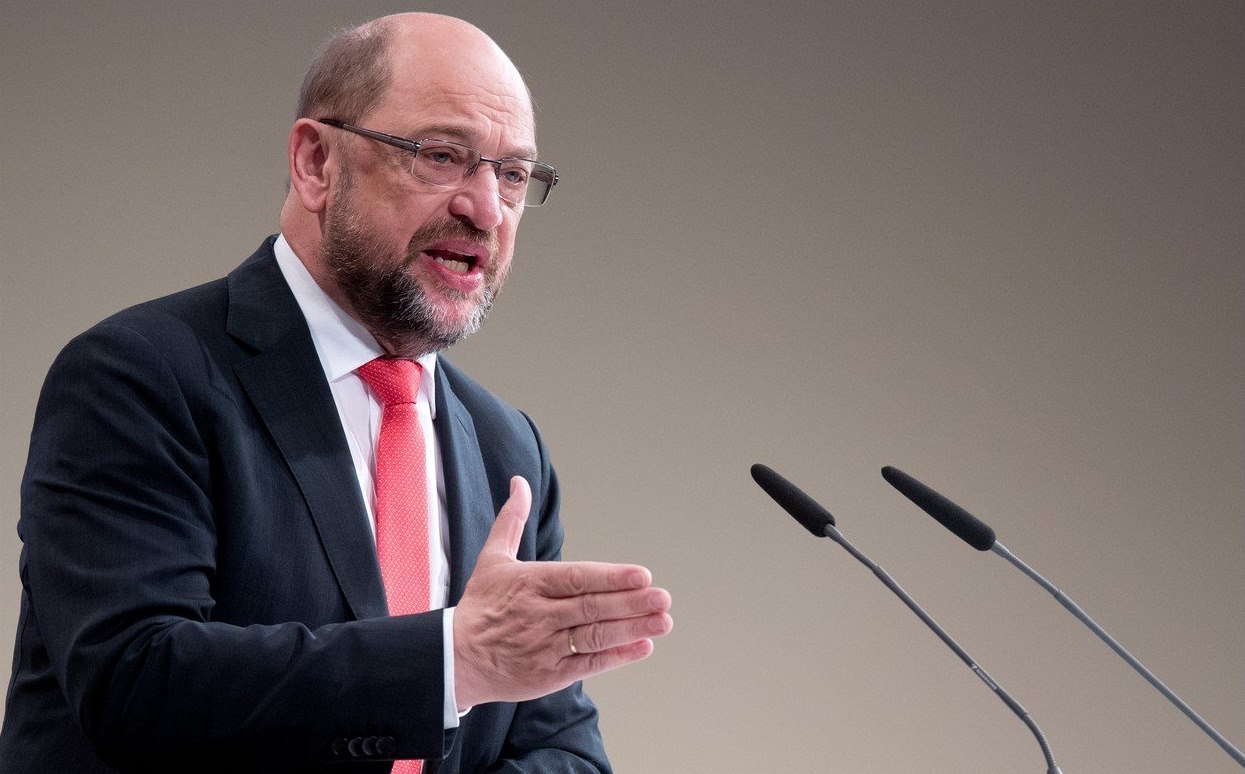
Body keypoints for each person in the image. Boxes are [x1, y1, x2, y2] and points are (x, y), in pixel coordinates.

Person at [0, 12, 672, 773]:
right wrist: (452, 661)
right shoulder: (141, 375)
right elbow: (135, 680)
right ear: (316, 162)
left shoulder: (505, 448)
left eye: (513, 175)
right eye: (442, 156)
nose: (486, 209)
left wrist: (469, 663)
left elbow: (560, 748)